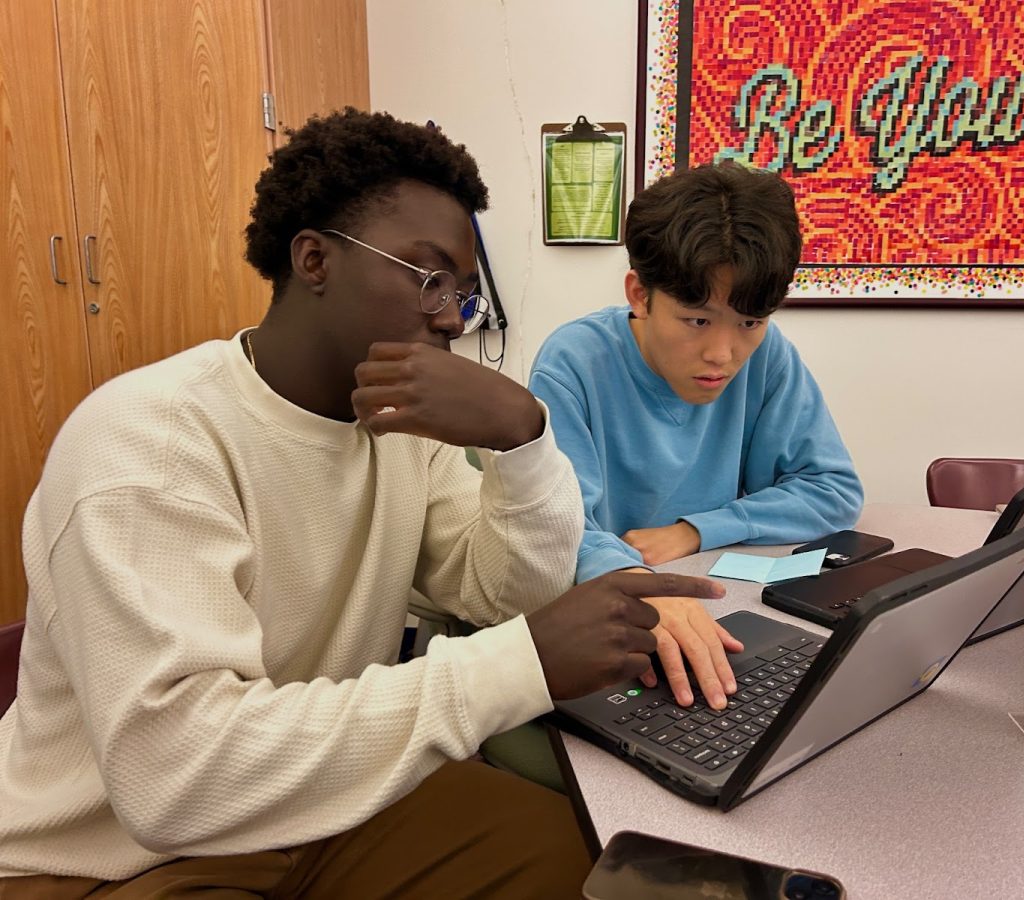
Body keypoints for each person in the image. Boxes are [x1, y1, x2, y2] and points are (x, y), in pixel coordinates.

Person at [0, 108, 723, 898]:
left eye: (466, 297)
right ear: (314, 258)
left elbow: (511, 590)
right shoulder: (149, 445)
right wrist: (524, 662)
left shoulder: (399, 429)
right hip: (110, 858)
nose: (451, 318)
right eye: (431, 279)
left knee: (592, 867)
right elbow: (178, 781)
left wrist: (525, 437)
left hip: (314, 805)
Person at [529, 162, 863, 713]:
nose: (723, 354)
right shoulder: (573, 363)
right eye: (697, 321)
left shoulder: (769, 355)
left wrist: (695, 530)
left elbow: (832, 489)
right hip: (614, 621)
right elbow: (555, 530)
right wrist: (642, 584)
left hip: (725, 604)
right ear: (640, 294)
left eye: (749, 323)